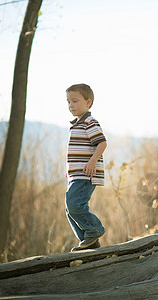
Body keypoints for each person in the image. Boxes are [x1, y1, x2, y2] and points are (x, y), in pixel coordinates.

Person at [65, 83, 107, 252]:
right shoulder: (76, 124)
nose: (70, 105)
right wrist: (69, 172)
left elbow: (102, 143)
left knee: (75, 205)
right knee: (70, 208)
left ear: (88, 102)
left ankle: (94, 230)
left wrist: (92, 161)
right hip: (76, 175)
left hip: (86, 174)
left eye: (75, 101)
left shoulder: (90, 122)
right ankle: (88, 240)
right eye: (68, 102)